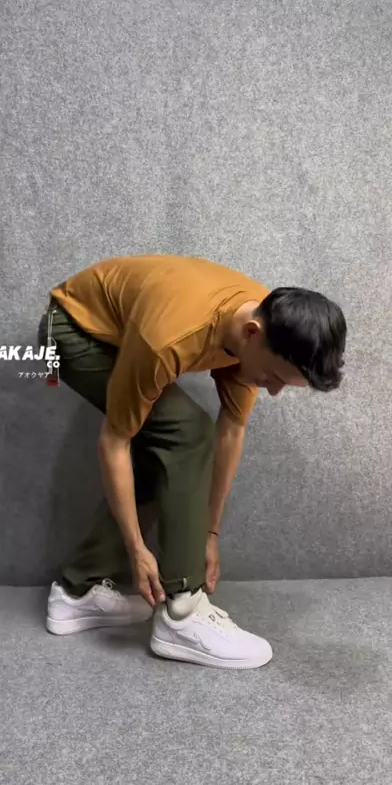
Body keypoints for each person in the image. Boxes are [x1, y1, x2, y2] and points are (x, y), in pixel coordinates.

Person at [38, 254, 346, 670]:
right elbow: (114, 441)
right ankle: (182, 615)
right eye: (273, 377)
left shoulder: (260, 326)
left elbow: (231, 431)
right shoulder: (167, 339)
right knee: (186, 433)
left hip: (130, 326)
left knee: (168, 455)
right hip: (71, 329)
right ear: (252, 333)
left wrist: (209, 533)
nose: (273, 391)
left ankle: (76, 592)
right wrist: (137, 549)